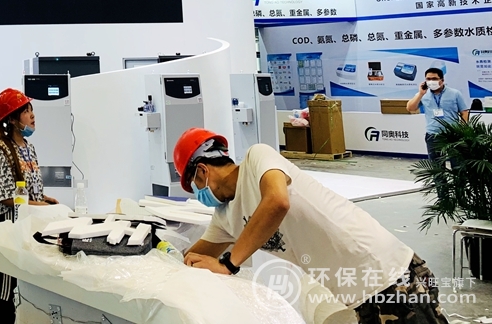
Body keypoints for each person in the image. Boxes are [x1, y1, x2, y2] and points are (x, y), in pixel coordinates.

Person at [173, 127, 449, 324]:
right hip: (358, 294)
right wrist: (163, 253)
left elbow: (277, 202)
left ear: (203, 171)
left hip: (388, 273)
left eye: (194, 185)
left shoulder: (257, 159)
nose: (198, 194)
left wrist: (228, 264)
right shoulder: (224, 217)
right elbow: (193, 257)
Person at [0, 88, 57, 324]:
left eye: (31, 110)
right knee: (8, 283)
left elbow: (28, 187)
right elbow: (5, 195)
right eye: (26, 111)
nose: (32, 115)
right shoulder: (2, 150)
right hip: (12, 226)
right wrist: (39, 204)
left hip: (31, 222)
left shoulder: (29, 147)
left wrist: (45, 198)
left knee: (26, 279)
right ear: (12, 119)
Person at [406, 68, 469, 160]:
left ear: (442, 80)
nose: (431, 81)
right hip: (433, 134)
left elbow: (464, 112)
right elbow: (410, 108)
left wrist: (462, 129)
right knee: (436, 165)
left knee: (457, 163)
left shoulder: (455, 93)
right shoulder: (423, 94)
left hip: (453, 134)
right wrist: (420, 94)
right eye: (428, 79)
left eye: (434, 79)